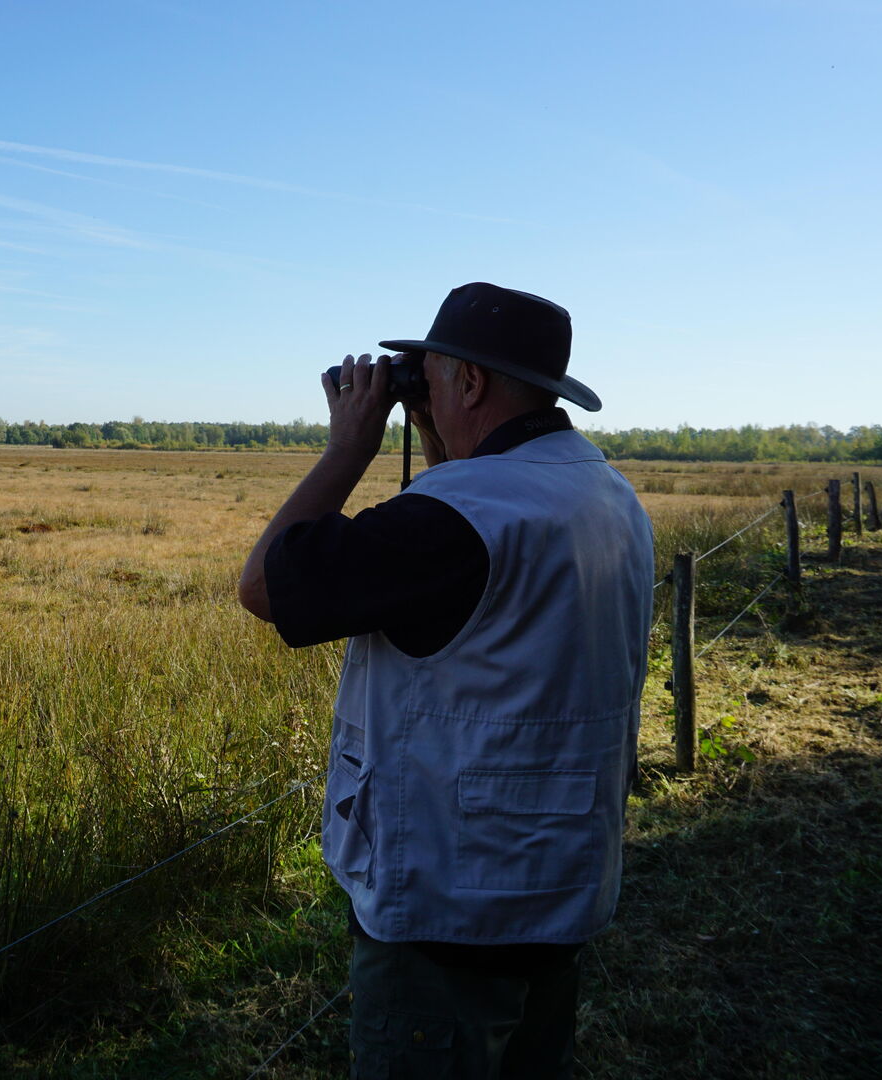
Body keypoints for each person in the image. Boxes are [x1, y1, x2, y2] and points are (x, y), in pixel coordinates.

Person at [237, 283, 653, 1078]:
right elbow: (470, 558)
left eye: (427, 375)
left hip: (451, 903)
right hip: (560, 882)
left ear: (470, 382)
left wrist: (347, 449)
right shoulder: (604, 492)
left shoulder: (456, 519)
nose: (417, 389)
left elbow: (263, 588)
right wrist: (434, 429)